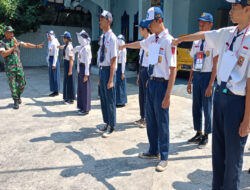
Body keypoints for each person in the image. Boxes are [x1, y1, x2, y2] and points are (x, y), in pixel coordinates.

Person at [172, 0, 250, 189]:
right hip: (220, 97)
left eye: (234, 7)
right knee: (218, 152)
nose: (230, 11)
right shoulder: (228, 33)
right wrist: (182, 39)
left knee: (233, 158)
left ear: (248, 9)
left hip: (237, 102)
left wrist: (247, 120)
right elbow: (205, 35)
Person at [120, 7, 177, 172]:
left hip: (162, 85)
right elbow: (140, 44)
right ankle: (153, 150)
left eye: (150, 24)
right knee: (151, 119)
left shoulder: (168, 41)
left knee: (162, 121)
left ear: (159, 20)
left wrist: (168, 95)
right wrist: (125, 46)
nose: (148, 27)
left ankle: (164, 156)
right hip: (151, 83)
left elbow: (173, 69)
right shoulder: (153, 39)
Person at [187, 12, 218, 149]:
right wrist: (189, 81)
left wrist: (211, 85)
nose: (201, 24)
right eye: (200, 22)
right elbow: (193, 62)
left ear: (210, 25)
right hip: (197, 76)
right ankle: (198, 132)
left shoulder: (214, 41)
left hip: (207, 76)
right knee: (196, 106)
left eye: (204, 23)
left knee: (207, 107)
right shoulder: (196, 41)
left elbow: (215, 64)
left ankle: (206, 135)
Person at [0, 26, 44, 109]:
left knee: (22, 84)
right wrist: (13, 47)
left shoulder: (15, 40)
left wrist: (36, 46)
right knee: (12, 85)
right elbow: (4, 54)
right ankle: (16, 100)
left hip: (19, 66)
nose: (12, 34)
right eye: (10, 32)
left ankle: (18, 94)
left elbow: (26, 44)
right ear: (5, 33)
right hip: (10, 68)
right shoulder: (2, 43)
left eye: (13, 32)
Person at [95, 10, 118, 138]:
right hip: (102, 70)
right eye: (100, 19)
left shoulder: (112, 38)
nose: (100, 21)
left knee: (110, 100)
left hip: (109, 70)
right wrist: (100, 76)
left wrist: (110, 79)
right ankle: (106, 122)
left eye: (102, 19)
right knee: (103, 99)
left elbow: (114, 60)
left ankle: (112, 125)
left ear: (108, 21)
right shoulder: (103, 38)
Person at [134, 19, 151, 128]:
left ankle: (147, 119)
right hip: (142, 70)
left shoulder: (150, 42)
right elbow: (141, 61)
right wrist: (139, 75)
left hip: (148, 70)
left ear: (145, 29)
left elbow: (151, 62)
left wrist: (149, 77)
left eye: (140, 29)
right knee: (141, 95)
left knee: (147, 96)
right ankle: (142, 116)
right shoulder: (143, 42)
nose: (139, 31)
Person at [74, 30, 92, 115]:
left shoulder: (87, 48)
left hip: (85, 68)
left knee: (85, 89)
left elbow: (88, 62)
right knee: (81, 89)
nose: (79, 40)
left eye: (80, 38)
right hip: (81, 68)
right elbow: (73, 50)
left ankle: (86, 108)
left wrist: (86, 74)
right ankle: (81, 107)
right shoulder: (81, 47)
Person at [59, 31, 75, 104]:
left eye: (64, 37)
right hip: (66, 63)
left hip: (69, 64)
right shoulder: (66, 45)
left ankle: (70, 98)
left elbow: (71, 59)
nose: (63, 38)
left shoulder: (69, 47)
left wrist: (70, 70)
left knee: (69, 82)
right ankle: (66, 97)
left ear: (66, 38)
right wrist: (59, 46)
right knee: (66, 81)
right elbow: (63, 47)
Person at [46, 30, 60, 97]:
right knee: (51, 76)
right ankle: (53, 90)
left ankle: (56, 91)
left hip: (54, 59)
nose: (48, 37)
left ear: (52, 35)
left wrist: (54, 64)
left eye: (49, 36)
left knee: (55, 76)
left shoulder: (54, 42)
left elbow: (56, 54)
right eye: (47, 36)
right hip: (50, 59)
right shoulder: (50, 41)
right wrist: (48, 63)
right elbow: (48, 53)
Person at [116, 34, 127, 108]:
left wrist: (122, 72)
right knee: (117, 84)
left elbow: (123, 62)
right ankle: (117, 100)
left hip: (121, 68)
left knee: (121, 84)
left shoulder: (123, 50)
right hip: (117, 67)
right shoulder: (117, 49)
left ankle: (121, 101)